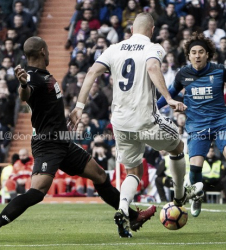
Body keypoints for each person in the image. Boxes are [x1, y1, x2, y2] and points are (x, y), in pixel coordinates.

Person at [0, 36, 155, 242]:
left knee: (99, 175)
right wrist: (23, 85)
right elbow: (25, 95)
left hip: (63, 142)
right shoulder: (33, 77)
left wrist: (68, 115)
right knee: (37, 191)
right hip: (47, 145)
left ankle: (133, 217)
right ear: (43, 51)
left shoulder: (45, 75)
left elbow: (45, 104)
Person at [69, 13, 203, 238]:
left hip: (120, 122)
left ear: (131, 30)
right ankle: (180, 196)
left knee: (134, 171)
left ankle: (123, 210)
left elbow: (92, 72)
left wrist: (79, 106)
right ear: (151, 30)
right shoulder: (154, 47)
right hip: (146, 118)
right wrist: (168, 99)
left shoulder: (114, 48)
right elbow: (152, 68)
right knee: (178, 147)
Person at [157, 32, 226, 220]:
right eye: (193, 52)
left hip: (221, 122)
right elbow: (168, 95)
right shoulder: (183, 74)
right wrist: (153, 109)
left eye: (201, 52)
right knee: (195, 169)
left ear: (207, 54)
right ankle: (196, 197)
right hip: (197, 126)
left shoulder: (220, 70)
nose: (197, 55)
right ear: (189, 55)